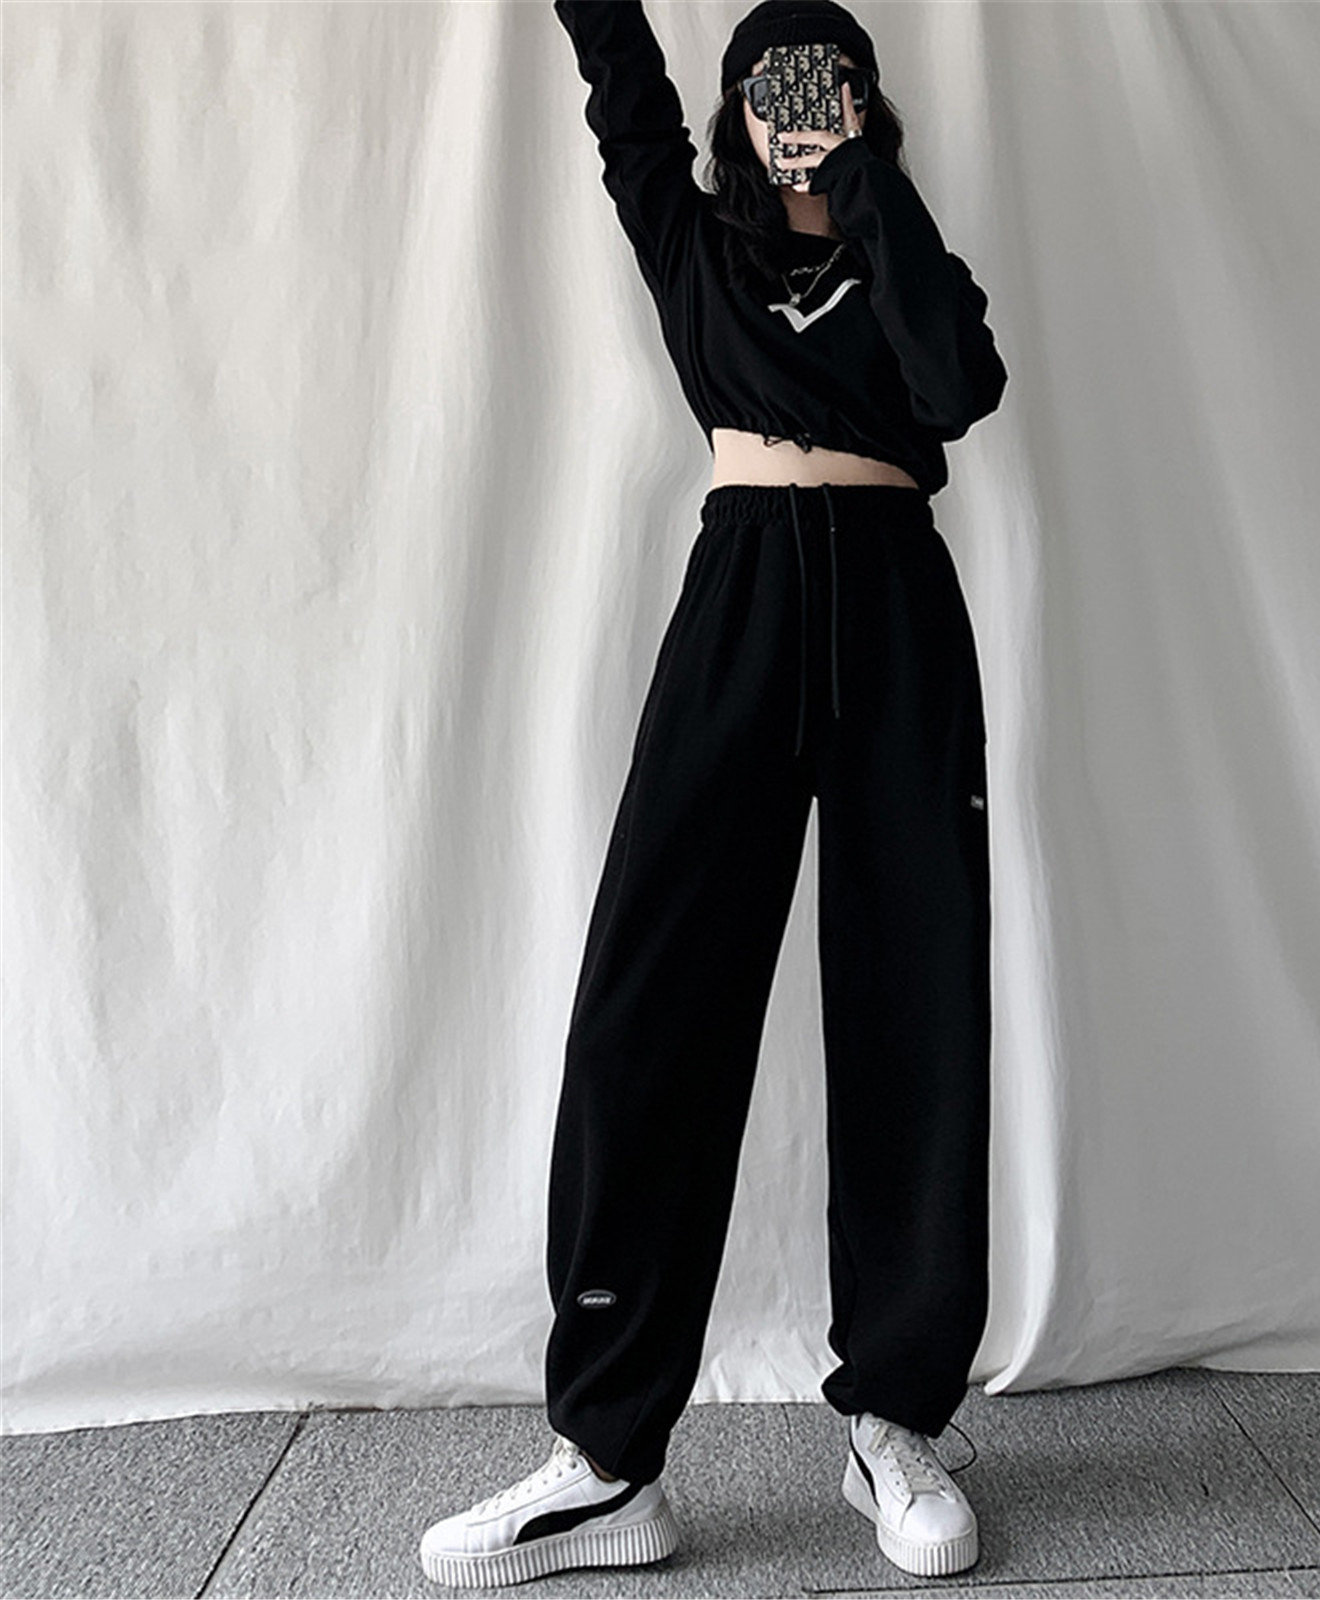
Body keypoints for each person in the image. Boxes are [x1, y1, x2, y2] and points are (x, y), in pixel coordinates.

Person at [418, 0, 1007, 1587]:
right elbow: (624, 91)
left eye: (825, 82)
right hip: (742, 593)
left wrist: (860, 184)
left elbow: (959, 384)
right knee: (649, 1001)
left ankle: (894, 1419)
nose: (793, 106)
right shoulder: (695, 247)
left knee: (915, 999)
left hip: (894, 603)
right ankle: (608, 1459)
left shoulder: (900, 253)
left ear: (864, 105)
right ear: (735, 112)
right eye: (768, 86)